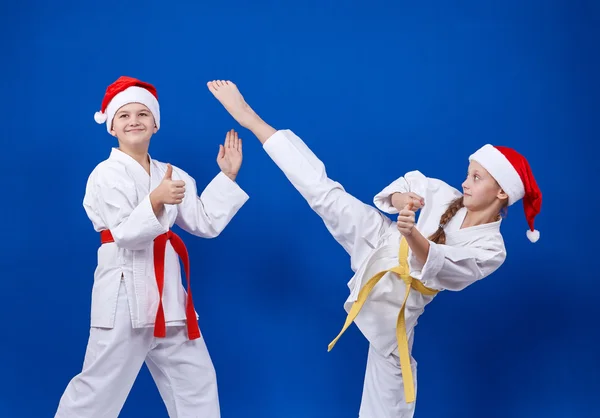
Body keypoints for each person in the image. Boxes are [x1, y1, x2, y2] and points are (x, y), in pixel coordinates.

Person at [206, 79, 542, 418]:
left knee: (390, 394)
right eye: (468, 174)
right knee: (325, 195)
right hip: (381, 240)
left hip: (402, 299)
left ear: (502, 194)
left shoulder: (492, 248)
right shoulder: (443, 193)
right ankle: (251, 119)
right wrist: (401, 200)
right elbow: (399, 192)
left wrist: (413, 235)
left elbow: (444, 268)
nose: (465, 183)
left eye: (476, 178)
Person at [55, 76, 249, 418]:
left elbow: (204, 223)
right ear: (111, 126)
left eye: (143, 114)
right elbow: (126, 235)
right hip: (122, 300)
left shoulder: (170, 173)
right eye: (124, 115)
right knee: (97, 390)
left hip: (170, 301)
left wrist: (227, 177)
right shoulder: (106, 174)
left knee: (197, 384)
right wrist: (156, 201)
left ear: (155, 124)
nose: (134, 121)